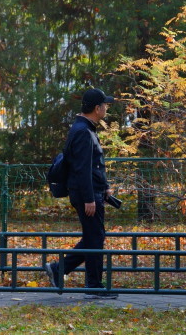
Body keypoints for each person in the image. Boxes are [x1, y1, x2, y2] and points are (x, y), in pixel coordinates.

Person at [44, 88, 118, 299]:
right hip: (87, 195)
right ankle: (92, 284)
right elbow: (82, 169)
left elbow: (91, 166)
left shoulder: (84, 129)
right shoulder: (83, 132)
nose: (106, 108)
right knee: (95, 238)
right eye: (105, 105)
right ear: (97, 108)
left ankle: (60, 269)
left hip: (91, 193)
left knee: (94, 237)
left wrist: (104, 188)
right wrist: (89, 198)